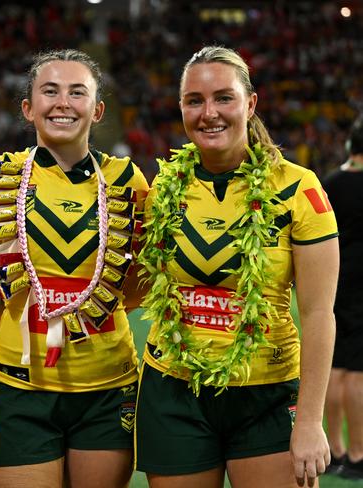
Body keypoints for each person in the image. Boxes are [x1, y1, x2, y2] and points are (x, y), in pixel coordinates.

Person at [135, 45, 339, 488]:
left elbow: (320, 314)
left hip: (268, 394)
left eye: (224, 98)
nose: (209, 113)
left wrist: (309, 421)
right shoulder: (161, 189)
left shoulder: (298, 188)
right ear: (182, 108)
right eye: (195, 101)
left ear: (250, 103)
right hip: (174, 391)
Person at [0, 49, 148, 488]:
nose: (63, 102)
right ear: (28, 108)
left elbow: (139, 281)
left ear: (98, 110)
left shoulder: (130, 181)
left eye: (77, 92)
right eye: (50, 91)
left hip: (108, 386)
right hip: (19, 386)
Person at [322, 114, 363, 480]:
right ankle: (358, 454)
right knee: (357, 372)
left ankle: (333, 450)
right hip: (362, 289)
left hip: (333, 281)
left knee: (334, 367)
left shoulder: (330, 183)